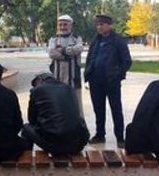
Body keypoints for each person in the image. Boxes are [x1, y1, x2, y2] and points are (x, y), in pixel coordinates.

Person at [84, 14, 132, 147]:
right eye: (97, 24)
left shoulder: (118, 40)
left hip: (112, 82)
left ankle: (120, 138)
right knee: (98, 110)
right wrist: (88, 73)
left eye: (101, 24)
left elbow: (127, 61)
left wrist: (117, 75)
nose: (99, 27)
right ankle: (100, 135)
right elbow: (90, 58)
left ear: (109, 25)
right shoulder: (96, 40)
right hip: (95, 81)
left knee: (116, 109)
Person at [22, 73, 89, 156]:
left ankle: (26, 159)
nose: (34, 87)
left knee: (26, 128)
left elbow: (31, 119)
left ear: (40, 80)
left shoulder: (37, 90)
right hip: (77, 145)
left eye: (34, 84)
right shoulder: (69, 89)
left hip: (55, 146)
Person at [48, 14, 84, 115]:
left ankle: (79, 127)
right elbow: (51, 53)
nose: (62, 27)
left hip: (73, 79)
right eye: (60, 25)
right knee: (58, 105)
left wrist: (62, 50)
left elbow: (79, 49)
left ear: (70, 25)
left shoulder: (76, 38)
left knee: (76, 106)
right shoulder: (53, 39)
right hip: (57, 78)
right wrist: (68, 56)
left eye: (65, 24)